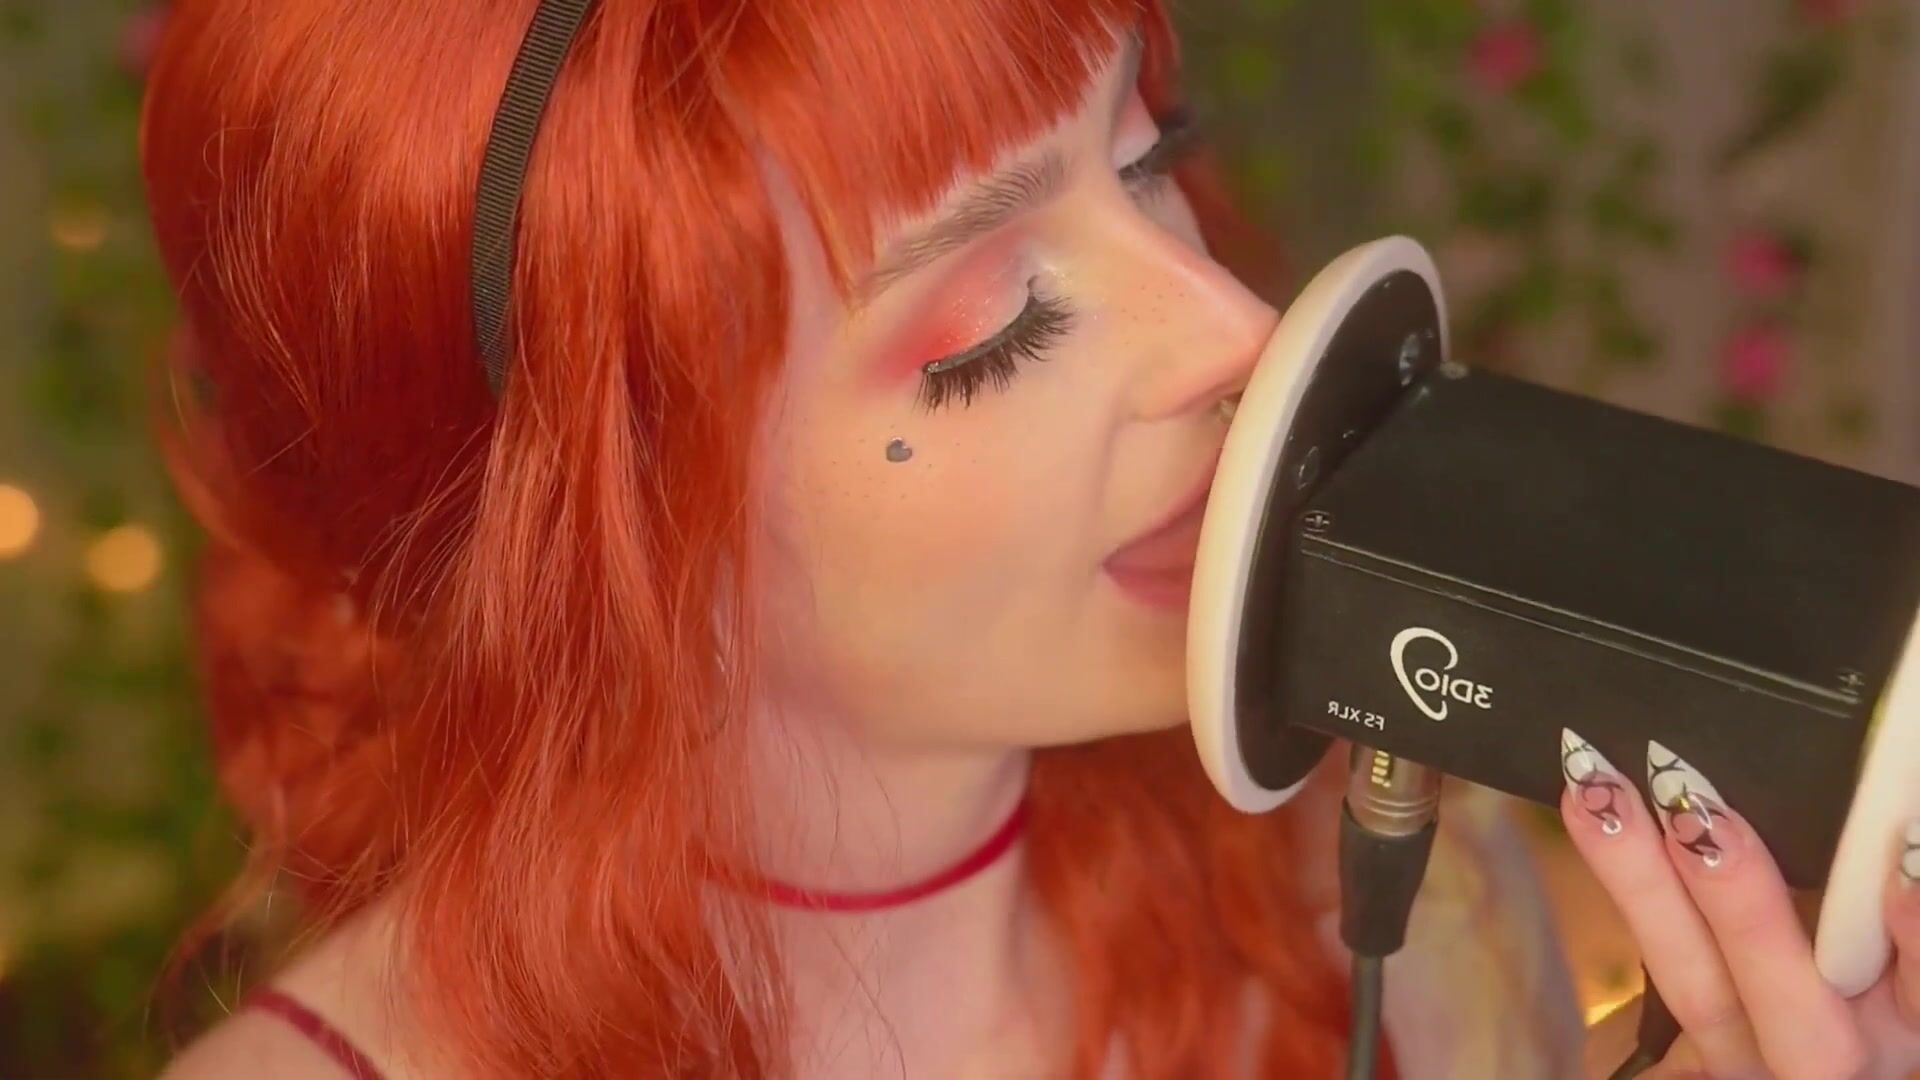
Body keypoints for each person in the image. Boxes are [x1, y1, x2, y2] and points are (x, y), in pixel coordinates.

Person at [136, 0, 1919, 1077]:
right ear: (584, 540)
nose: (1236, 330)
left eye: (1148, 165)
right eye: (993, 326)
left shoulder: (1394, 906)